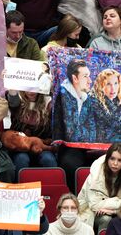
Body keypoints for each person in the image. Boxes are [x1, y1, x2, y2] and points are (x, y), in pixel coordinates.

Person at [54, 59, 94, 192]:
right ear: (75, 78)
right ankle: (77, 199)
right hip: (71, 147)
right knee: (70, 164)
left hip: (91, 144)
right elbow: (67, 130)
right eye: (85, 76)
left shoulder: (88, 97)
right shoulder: (61, 96)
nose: (90, 81)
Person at [6, 91, 56, 173]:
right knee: (21, 159)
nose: (31, 92)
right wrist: (12, 88)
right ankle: (20, 185)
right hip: (20, 146)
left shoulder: (49, 102)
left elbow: (59, 108)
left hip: (44, 146)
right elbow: (13, 102)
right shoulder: (18, 101)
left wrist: (52, 89)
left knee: (48, 160)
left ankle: (50, 185)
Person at [78, 143, 121, 233]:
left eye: (120, 160)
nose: (115, 163)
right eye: (112, 159)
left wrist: (113, 211)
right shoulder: (96, 174)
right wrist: (117, 202)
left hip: (115, 213)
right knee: (106, 219)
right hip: (90, 212)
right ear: (107, 158)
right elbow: (95, 205)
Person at [89, 69, 121, 142]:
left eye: (116, 83)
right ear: (101, 85)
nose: (113, 88)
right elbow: (112, 123)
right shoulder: (93, 99)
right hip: (99, 143)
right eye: (108, 84)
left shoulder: (116, 99)